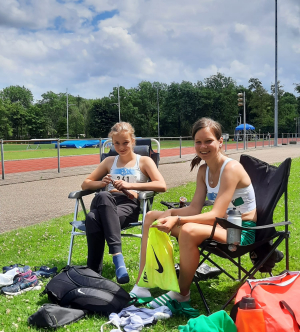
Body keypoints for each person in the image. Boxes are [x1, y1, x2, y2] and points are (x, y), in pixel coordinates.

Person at [130, 117, 257, 306]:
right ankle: (142, 285)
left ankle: (181, 294)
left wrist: (178, 220)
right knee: (150, 216)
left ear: (220, 142)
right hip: (219, 225)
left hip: (238, 231)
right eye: (198, 142)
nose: (203, 146)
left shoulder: (231, 168)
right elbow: (194, 208)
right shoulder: (203, 170)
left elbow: (216, 214)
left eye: (208, 141)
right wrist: (172, 214)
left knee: (189, 231)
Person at [81, 122, 166, 284]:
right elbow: (85, 184)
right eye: (117, 143)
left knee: (92, 218)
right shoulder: (109, 162)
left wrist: (130, 185)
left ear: (133, 141)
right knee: (103, 196)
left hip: (129, 204)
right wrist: (101, 183)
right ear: (112, 144)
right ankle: (118, 258)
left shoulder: (144, 161)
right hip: (107, 201)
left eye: (125, 142)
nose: (121, 147)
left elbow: (162, 186)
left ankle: (92, 273)